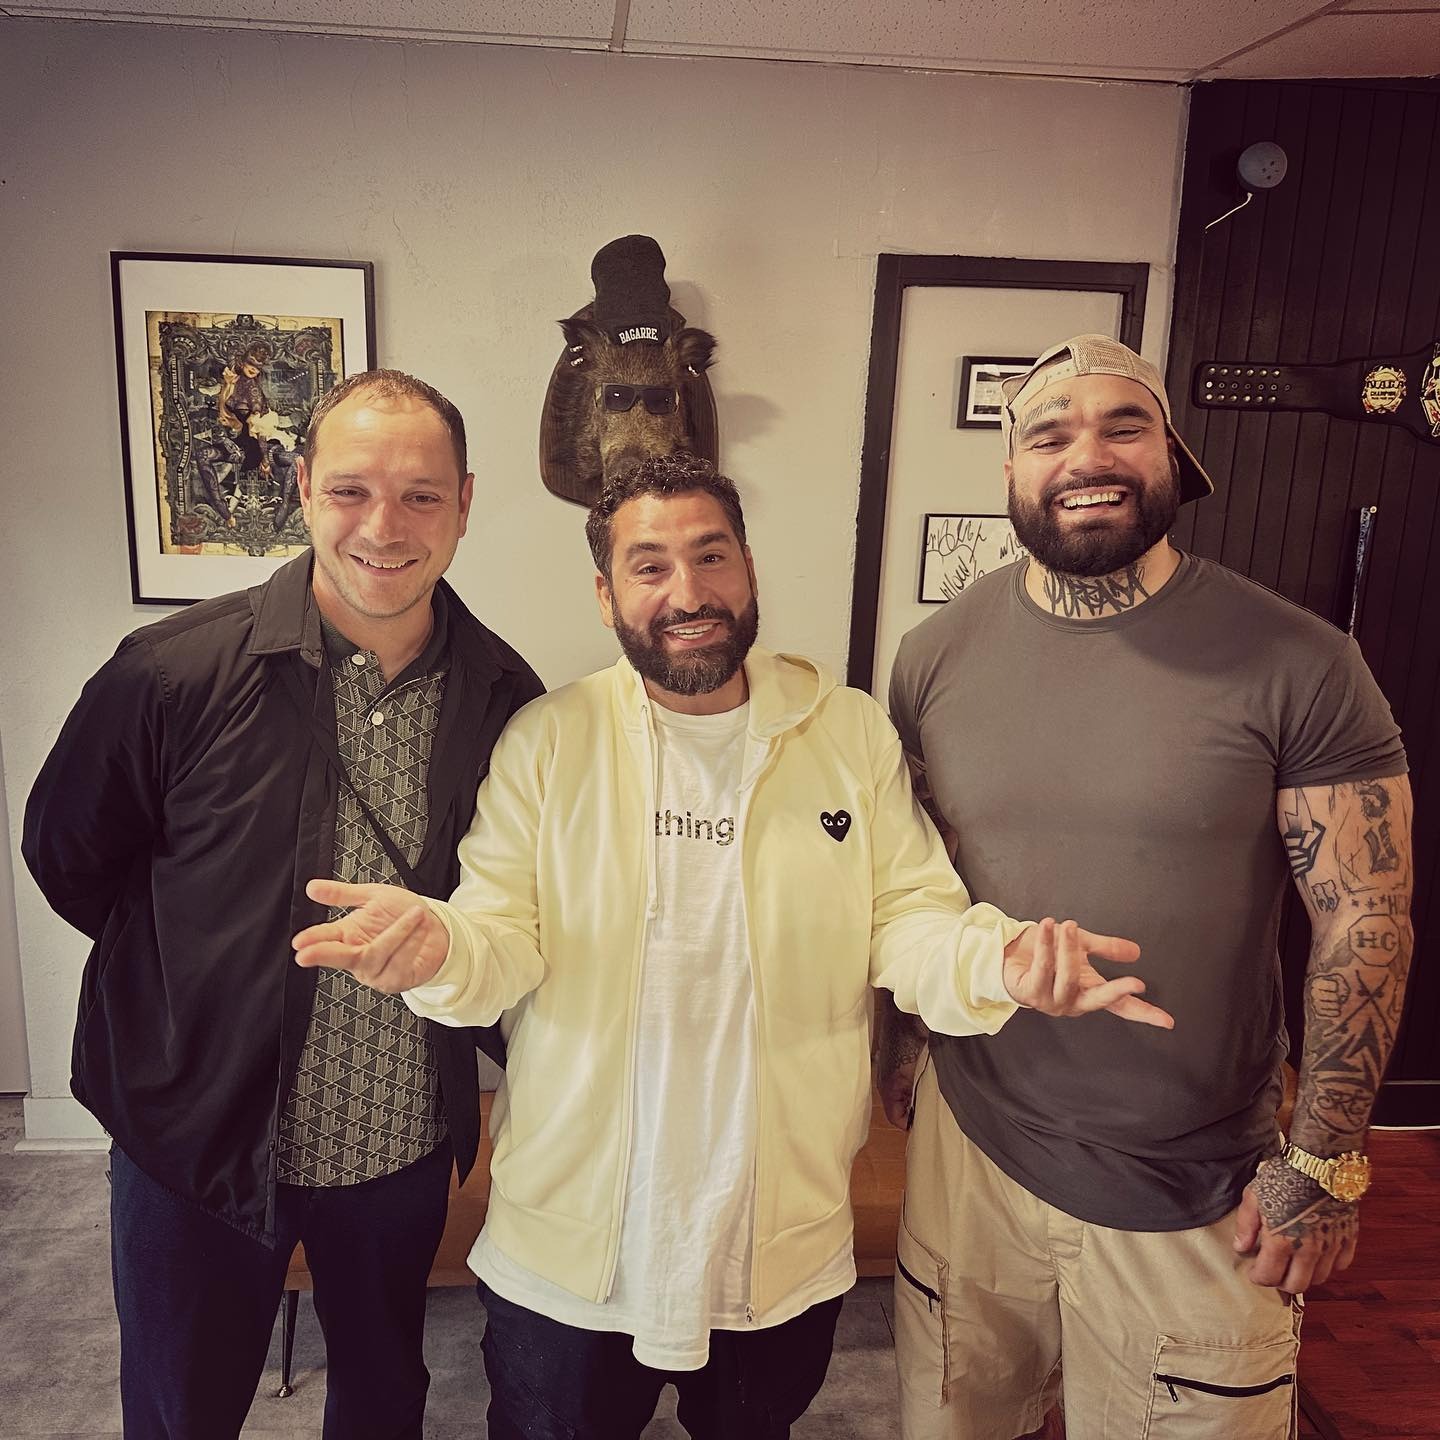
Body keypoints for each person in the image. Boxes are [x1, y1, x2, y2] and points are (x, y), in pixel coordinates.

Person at [290, 452, 1172, 1440]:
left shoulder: (846, 733)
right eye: (649, 566)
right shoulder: (549, 740)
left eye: (711, 556)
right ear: (605, 594)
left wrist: (995, 964)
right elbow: (501, 935)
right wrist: (439, 952)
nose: (688, 592)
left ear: (748, 568)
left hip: (775, 1247)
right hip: (572, 1255)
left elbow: (909, 920)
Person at [876, 334, 1413, 1440]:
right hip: (972, 1153)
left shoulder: (1302, 663)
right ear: (1011, 470)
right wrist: (904, 1042)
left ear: (1174, 456)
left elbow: (1364, 916)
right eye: (1050, 435)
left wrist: (1325, 1158)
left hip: (1196, 1184)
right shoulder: (932, 657)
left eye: (1123, 426)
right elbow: (915, 877)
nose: (1088, 456)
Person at [23, 369, 542, 1439]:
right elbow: (68, 856)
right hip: (195, 1133)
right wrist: (193, 981)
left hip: (396, 1144)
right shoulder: (171, 673)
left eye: (421, 496)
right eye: (351, 490)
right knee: (182, 1410)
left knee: (384, 1403)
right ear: (303, 488)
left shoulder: (505, 696)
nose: (384, 528)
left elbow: (512, 906)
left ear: (464, 504)